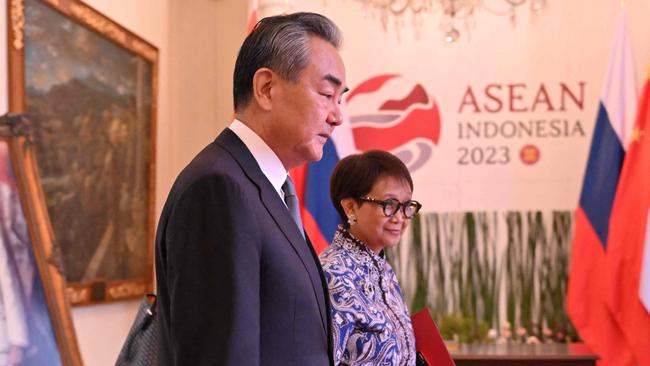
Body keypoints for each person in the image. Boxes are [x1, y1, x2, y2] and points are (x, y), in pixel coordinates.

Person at [154, 12, 348, 365]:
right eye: (326, 94)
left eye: (340, 99)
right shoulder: (219, 188)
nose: (337, 116)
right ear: (266, 89)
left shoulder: (268, 190)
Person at [320, 150, 422, 366]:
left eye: (406, 206)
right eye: (389, 205)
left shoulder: (384, 270)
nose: (400, 218)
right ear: (350, 207)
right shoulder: (332, 275)